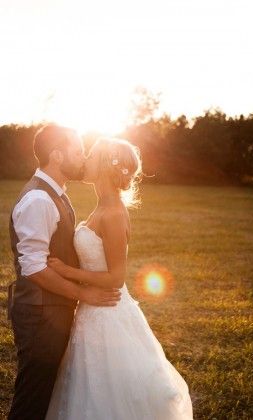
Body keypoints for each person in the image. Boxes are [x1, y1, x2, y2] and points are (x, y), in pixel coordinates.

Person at [45, 137, 194, 419]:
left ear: (101, 166)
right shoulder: (101, 206)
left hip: (108, 313)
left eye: (89, 155)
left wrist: (66, 272)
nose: (84, 160)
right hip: (91, 311)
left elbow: (115, 278)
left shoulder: (112, 213)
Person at [8, 125, 121, 420]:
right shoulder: (39, 200)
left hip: (51, 310)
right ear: (57, 156)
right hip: (39, 313)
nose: (83, 156)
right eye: (77, 150)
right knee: (33, 397)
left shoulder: (55, 193)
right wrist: (84, 293)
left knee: (45, 392)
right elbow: (33, 268)